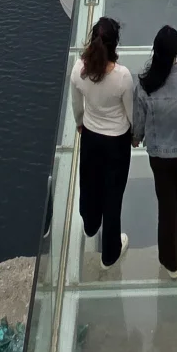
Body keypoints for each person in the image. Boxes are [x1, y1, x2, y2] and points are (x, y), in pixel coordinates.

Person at [132, 24, 177, 277]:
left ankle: (171, 262)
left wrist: (137, 138)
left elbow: (139, 122)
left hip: (159, 155)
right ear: (176, 53)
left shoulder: (145, 84)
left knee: (166, 203)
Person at [70, 16, 133, 268]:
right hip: (117, 141)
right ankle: (110, 254)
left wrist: (80, 124)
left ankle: (90, 224)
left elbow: (77, 107)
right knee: (113, 195)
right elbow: (130, 113)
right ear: (114, 45)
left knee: (89, 182)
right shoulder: (122, 76)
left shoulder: (79, 70)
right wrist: (136, 134)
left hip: (91, 136)